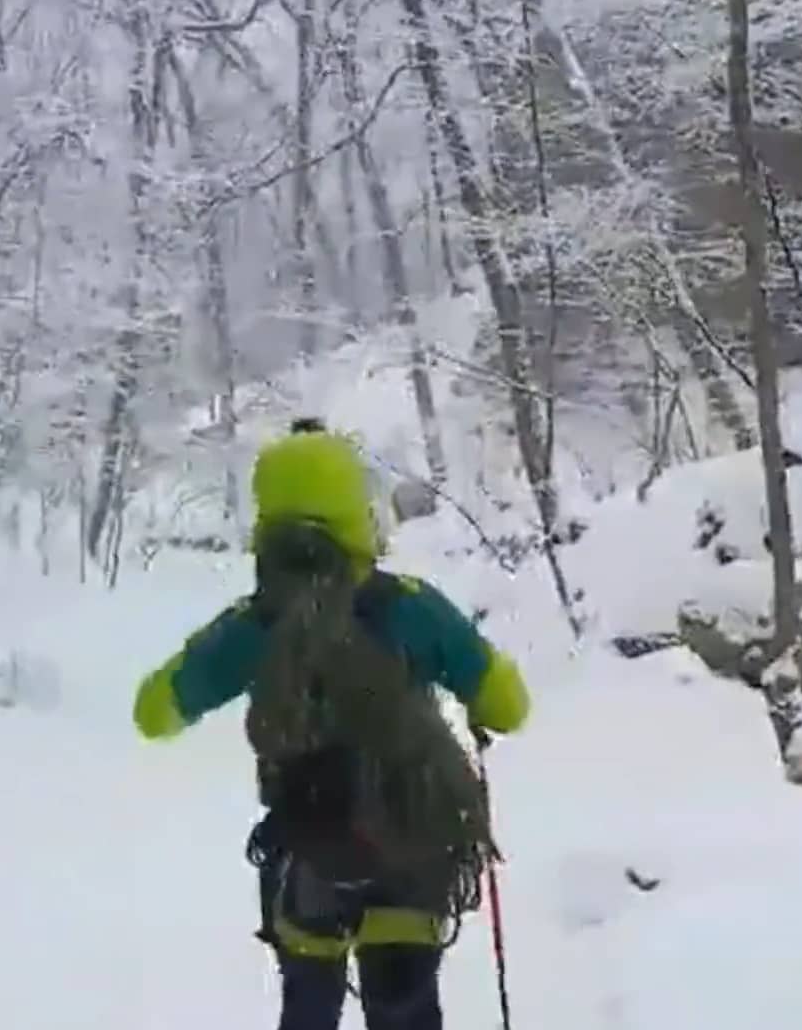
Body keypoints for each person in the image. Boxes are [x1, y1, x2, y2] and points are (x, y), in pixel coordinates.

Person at [133, 419, 530, 1030]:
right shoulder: (412, 607)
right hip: (412, 852)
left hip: (310, 856)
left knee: (309, 1010)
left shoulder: (253, 625)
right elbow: (509, 705)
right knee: (407, 1011)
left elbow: (153, 712)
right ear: (358, 511)